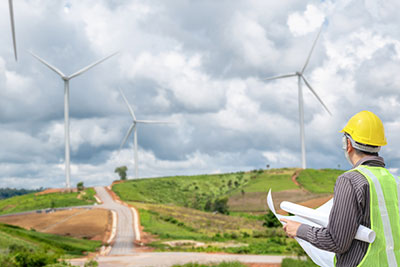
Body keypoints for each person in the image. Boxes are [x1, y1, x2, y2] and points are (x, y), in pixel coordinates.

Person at [281, 110, 400, 267]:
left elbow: (336, 241)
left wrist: (299, 230)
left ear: (348, 144)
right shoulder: (395, 181)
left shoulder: (350, 180)